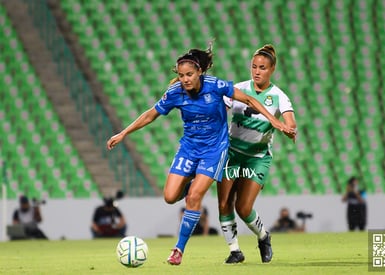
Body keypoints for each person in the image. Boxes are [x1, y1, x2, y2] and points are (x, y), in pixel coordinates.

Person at [106, 42, 295, 265]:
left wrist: (277, 122)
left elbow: (250, 101)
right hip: (189, 148)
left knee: (201, 198)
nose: (185, 79)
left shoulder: (217, 86)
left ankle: (179, 249)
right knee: (170, 197)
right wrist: (124, 132)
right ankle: (194, 185)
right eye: (181, 75)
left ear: (199, 72)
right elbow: (151, 114)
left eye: (189, 74)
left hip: (216, 151)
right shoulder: (175, 92)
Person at [218, 44, 297, 264]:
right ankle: (235, 250)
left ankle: (263, 236)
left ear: (272, 69)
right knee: (224, 203)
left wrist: (290, 129)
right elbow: (220, 109)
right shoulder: (238, 89)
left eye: (262, 67)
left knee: (243, 207)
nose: (257, 71)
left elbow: (290, 120)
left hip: (257, 158)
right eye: (254, 66)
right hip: (231, 154)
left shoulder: (279, 96)